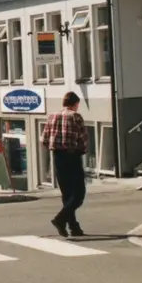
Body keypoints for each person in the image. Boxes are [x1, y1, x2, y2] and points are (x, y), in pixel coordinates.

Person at [40, 91, 89, 237]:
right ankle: (60, 219)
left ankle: (74, 227)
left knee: (67, 193)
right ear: (75, 104)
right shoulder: (75, 116)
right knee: (79, 193)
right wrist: (81, 150)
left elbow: (44, 139)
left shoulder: (52, 116)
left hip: (58, 156)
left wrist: (54, 146)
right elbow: (83, 138)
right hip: (72, 156)